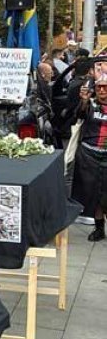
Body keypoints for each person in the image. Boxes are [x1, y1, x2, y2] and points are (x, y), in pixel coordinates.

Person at [71, 76, 107, 241]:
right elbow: (78, 115)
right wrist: (84, 101)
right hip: (89, 156)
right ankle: (99, 228)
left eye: (105, 87)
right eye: (99, 87)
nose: (102, 90)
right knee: (95, 195)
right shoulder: (90, 104)